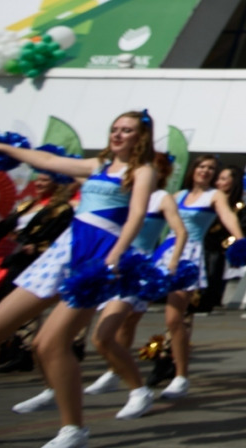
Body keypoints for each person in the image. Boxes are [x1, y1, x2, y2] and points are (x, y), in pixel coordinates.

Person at [0, 111, 159, 448]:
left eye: (127, 130)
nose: (118, 135)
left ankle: (74, 430)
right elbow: (46, 160)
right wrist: (0, 146)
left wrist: (115, 255)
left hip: (97, 258)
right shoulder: (96, 165)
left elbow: (135, 216)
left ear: (140, 137)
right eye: (115, 128)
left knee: (49, 344)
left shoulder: (142, 171)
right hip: (64, 251)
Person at [73, 152, 187, 418]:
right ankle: (114, 373)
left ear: (161, 173)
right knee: (118, 326)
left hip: (134, 270)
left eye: (154, 167)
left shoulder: (161, 198)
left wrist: (172, 262)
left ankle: (135, 388)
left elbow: (180, 231)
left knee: (106, 333)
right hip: (107, 263)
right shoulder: (121, 190)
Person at [157, 154, 246, 399]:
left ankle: (180, 374)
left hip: (189, 254)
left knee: (175, 318)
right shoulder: (177, 196)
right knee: (130, 313)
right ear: (193, 169)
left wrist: (240, 240)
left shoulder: (215, 196)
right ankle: (119, 370)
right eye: (202, 166)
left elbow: (228, 215)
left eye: (211, 168)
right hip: (164, 252)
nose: (205, 171)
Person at [0, 174, 74, 316]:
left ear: (57, 184)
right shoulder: (28, 204)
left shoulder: (61, 210)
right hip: (0, 258)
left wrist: (35, 248)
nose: (39, 183)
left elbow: (56, 241)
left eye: (44, 180)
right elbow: (2, 228)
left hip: (19, 264)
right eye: (38, 180)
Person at [198, 165, 246, 314]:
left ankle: (205, 303)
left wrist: (230, 242)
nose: (218, 182)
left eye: (223, 179)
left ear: (233, 182)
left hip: (216, 251)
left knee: (212, 276)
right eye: (218, 179)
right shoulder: (207, 200)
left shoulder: (238, 207)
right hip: (198, 246)